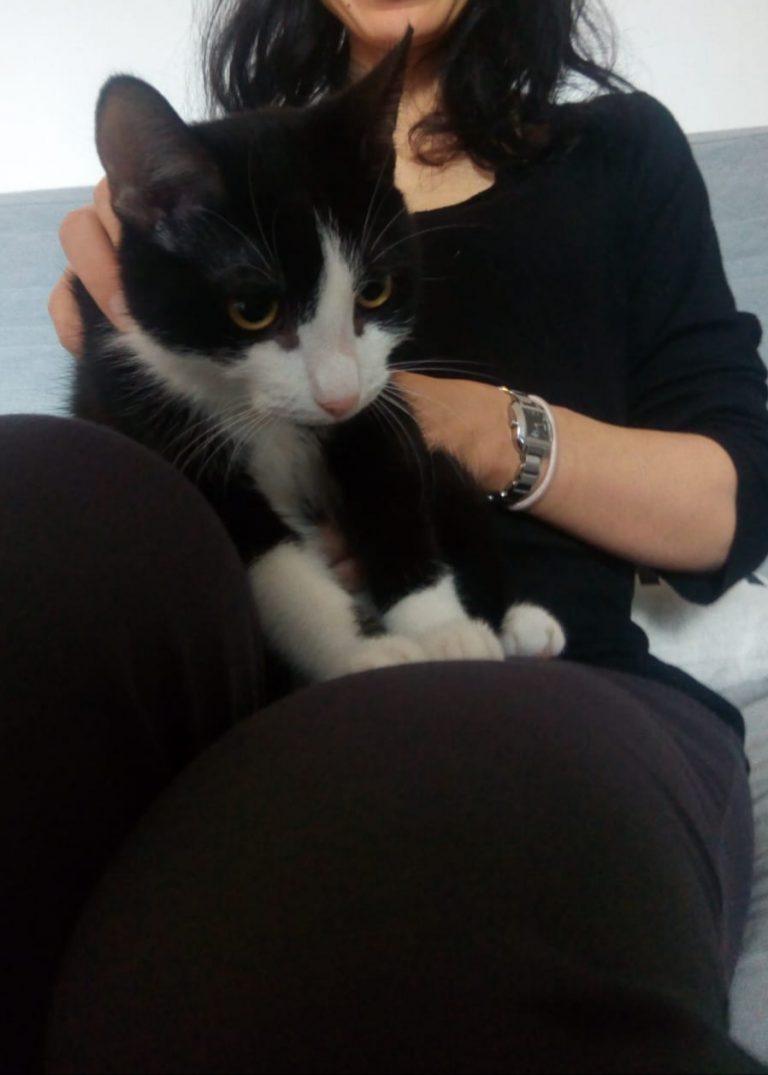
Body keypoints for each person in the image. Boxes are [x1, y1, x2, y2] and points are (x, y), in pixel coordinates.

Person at [4, 0, 767, 1070]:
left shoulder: (617, 151)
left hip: (536, 678)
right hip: (232, 672)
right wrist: (147, 356)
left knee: (405, 815)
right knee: (34, 486)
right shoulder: (226, 170)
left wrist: (472, 429)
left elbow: (729, 508)